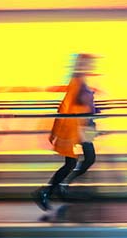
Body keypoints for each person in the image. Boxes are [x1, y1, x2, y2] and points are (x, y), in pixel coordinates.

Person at [34, 54, 98, 211]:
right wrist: (56, 132)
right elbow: (64, 108)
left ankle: (58, 187)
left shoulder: (83, 81)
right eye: (89, 63)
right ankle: (47, 191)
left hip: (85, 128)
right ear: (82, 65)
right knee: (74, 162)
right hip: (76, 130)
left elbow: (85, 106)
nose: (92, 66)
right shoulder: (76, 81)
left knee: (86, 160)